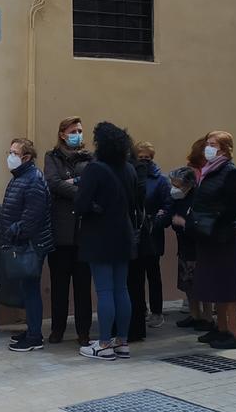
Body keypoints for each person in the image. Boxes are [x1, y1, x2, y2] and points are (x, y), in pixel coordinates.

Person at [72, 122, 139, 360]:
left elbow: (80, 204)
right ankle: (122, 342)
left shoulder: (95, 169)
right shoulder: (130, 169)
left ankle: (103, 344)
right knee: (122, 289)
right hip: (124, 235)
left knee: (104, 291)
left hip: (99, 236)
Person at [190, 131, 236, 350]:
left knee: (226, 285)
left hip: (224, 237)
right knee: (214, 284)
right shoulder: (209, 171)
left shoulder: (231, 172)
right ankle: (221, 329)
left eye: (213, 145)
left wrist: (214, 220)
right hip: (208, 236)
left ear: (224, 149)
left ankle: (233, 333)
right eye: (207, 144)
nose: (208, 148)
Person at [43, 117, 94, 346]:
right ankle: (58, 329)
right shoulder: (52, 157)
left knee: (83, 287)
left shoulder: (90, 159)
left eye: (80, 131)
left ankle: (84, 331)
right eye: (74, 131)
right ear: (62, 133)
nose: (78, 134)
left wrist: (71, 183)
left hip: (84, 234)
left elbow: (92, 184)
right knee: (59, 286)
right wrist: (78, 186)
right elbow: (52, 183)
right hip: (60, 232)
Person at [0, 136, 53, 353]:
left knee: (31, 289)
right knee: (27, 288)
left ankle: (34, 336)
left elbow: (32, 218)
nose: (10, 157)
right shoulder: (20, 177)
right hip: (23, 242)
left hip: (32, 244)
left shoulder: (34, 179)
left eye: (14, 153)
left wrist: (12, 231)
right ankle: (31, 329)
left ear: (26, 157)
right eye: (9, 152)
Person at [129, 142, 170, 339]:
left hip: (153, 233)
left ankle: (156, 311)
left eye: (148, 158)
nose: (144, 161)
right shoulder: (132, 176)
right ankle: (141, 309)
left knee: (153, 274)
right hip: (135, 233)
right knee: (136, 275)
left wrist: (158, 220)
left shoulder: (160, 180)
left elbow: (167, 204)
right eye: (141, 157)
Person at [156, 166, 204, 328]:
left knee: (200, 284)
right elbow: (169, 216)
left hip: (196, 248)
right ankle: (194, 314)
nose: (174, 188)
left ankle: (206, 317)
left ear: (188, 184)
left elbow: (200, 223)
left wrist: (184, 223)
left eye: (177, 185)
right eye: (173, 184)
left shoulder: (197, 198)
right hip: (183, 247)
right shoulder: (178, 199)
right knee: (188, 285)